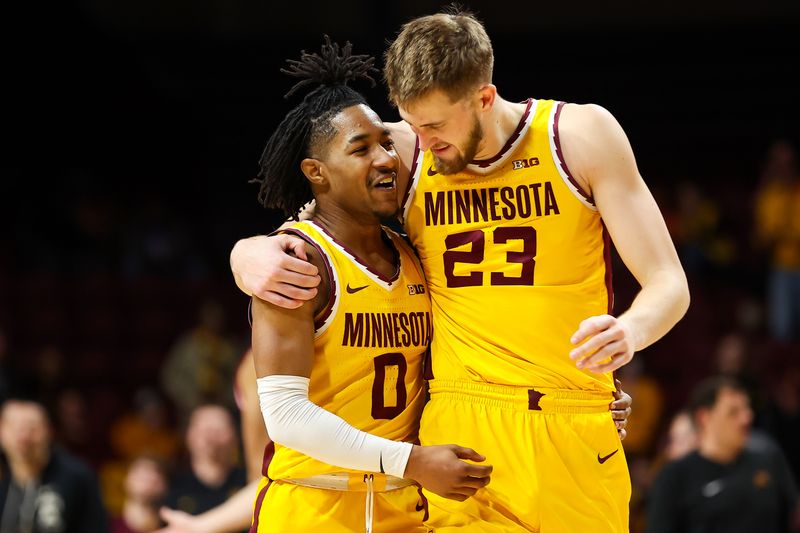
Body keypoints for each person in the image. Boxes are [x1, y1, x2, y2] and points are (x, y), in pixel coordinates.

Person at [230, 7, 685, 532]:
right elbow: (329, 210)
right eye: (409, 122)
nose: (417, 142)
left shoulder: (579, 135)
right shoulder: (406, 150)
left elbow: (669, 284)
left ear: (484, 97)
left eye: (434, 126)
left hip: (576, 418)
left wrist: (631, 330)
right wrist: (249, 250)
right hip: (465, 425)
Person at [250, 38, 501, 533]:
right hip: (312, 508)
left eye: (386, 142)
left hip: (401, 510)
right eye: (360, 149)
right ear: (316, 173)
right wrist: (412, 462)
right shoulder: (296, 261)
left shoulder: (412, 256)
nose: (386, 158)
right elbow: (284, 416)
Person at [647, 376, 800, 533]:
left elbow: (793, 516)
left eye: (747, 408)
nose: (746, 418)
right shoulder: (674, 476)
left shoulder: (767, 454)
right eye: (733, 412)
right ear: (704, 418)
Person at [0, 398, 108, 533]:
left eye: (32, 427)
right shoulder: (4, 481)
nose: (23, 437)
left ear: (49, 431)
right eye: (15, 427)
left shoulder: (77, 476)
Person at [163, 405, 247, 523]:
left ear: (236, 436)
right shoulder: (170, 486)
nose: (210, 438)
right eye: (204, 430)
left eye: (218, 431)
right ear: (188, 435)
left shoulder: (250, 482)